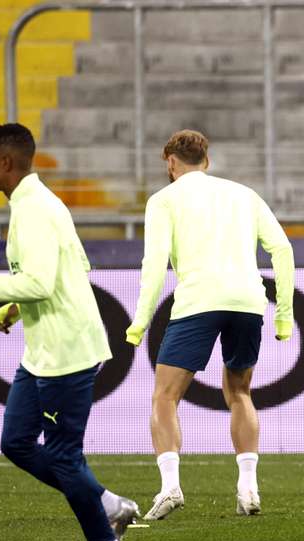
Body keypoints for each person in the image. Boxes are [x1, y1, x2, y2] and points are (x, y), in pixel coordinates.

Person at [0, 123, 138, 541]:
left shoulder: (34, 209)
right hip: (43, 351)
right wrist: (16, 304)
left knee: (64, 456)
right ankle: (108, 502)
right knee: (15, 442)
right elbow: (76, 264)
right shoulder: (36, 203)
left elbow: (39, 281)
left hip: (65, 352)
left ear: (7, 163)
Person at [125, 129, 295, 520]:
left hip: (199, 300)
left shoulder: (163, 200)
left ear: (170, 163)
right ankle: (249, 488)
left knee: (165, 396)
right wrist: (283, 313)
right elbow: (282, 249)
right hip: (248, 301)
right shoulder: (243, 194)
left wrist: (140, 320)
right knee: (240, 391)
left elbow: (154, 266)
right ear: (207, 160)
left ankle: (170, 488)